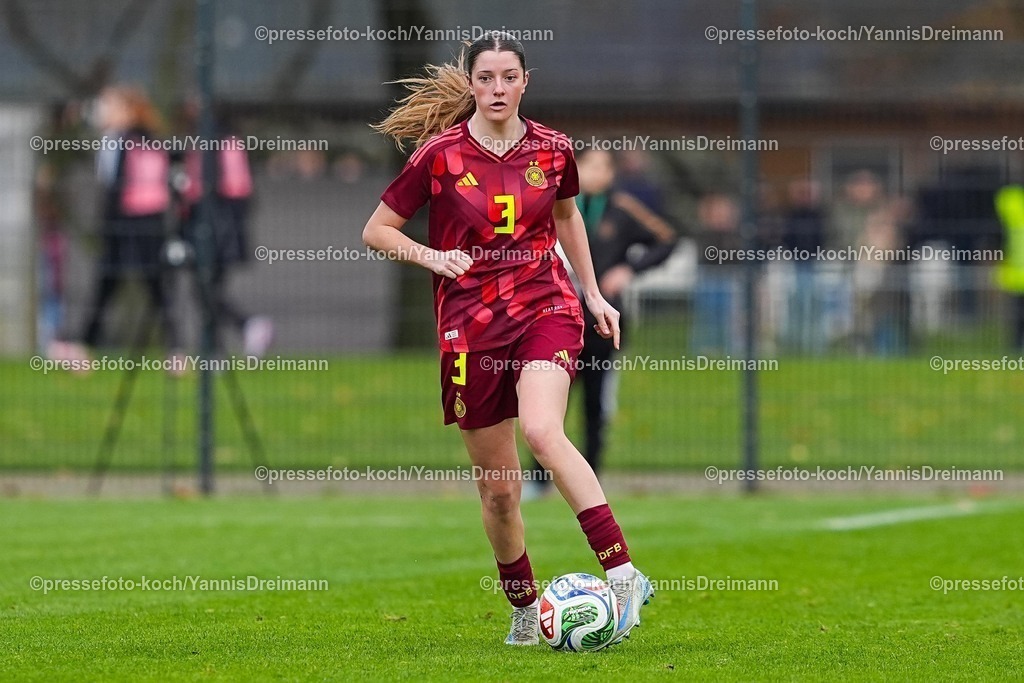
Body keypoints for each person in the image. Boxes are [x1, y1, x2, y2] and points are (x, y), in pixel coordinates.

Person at [362, 32, 653, 647]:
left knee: (544, 431)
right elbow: (378, 230)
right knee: (499, 491)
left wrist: (592, 294)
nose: (497, 88)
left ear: (526, 81)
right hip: (468, 325)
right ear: (471, 83)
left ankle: (623, 572)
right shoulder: (439, 156)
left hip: (546, 304)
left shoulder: (553, 150)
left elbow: (568, 218)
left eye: (509, 76)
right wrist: (430, 256)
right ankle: (524, 608)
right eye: (486, 76)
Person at [527, 148, 677, 493]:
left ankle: (589, 480)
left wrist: (629, 270)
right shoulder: (552, 204)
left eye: (604, 167)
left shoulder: (622, 209)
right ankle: (538, 480)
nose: (597, 173)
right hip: (553, 318)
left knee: (595, 404)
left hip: (601, 323)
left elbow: (667, 239)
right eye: (589, 165)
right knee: (547, 404)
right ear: (575, 168)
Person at [79, 85, 180, 357]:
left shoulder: (117, 141)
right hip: (152, 223)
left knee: (111, 283)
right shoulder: (154, 140)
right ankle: (176, 350)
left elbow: (114, 188)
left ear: (127, 110)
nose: (101, 111)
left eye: (108, 105)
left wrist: (107, 225)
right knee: (151, 286)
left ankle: (84, 346)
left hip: (124, 224)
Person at [178, 107, 272, 356]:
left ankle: (243, 328)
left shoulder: (214, 141)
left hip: (214, 227)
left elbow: (212, 188)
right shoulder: (229, 141)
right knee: (207, 291)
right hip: (224, 227)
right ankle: (216, 348)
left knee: (206, 290)